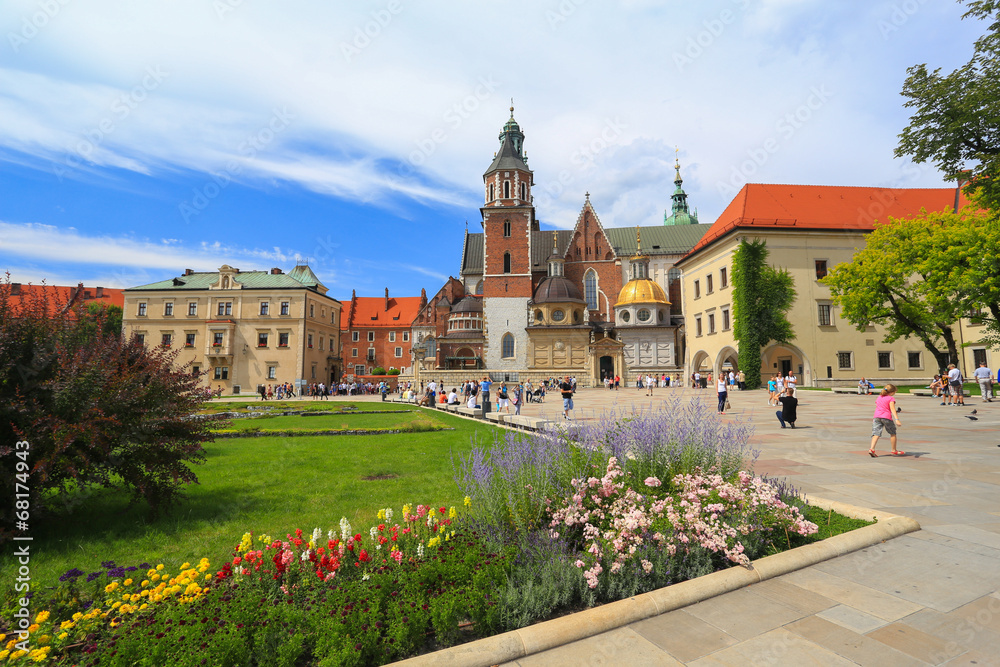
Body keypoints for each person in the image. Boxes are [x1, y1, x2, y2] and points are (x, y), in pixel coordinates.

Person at [869, 384, 903, 456]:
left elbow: (881, 407)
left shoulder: (879, 397)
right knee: (893, 433)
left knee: (876, 433)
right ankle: (894, 450)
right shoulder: (891, 398)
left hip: (876, 417)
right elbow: (892, 409)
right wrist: (897, 419)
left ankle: (872, 449)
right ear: (891, 392)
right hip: (886, 418)